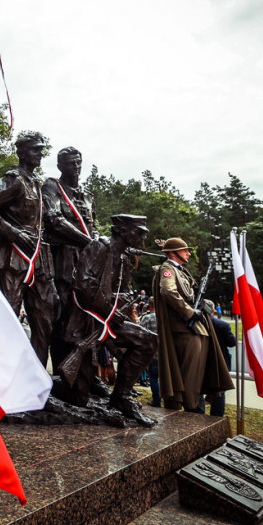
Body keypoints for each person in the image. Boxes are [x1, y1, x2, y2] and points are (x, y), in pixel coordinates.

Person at [58, 214, 157, 426]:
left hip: (107, 322)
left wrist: (124, 300)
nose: (142, 240)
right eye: (139, 233)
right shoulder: (99, 247)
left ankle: (121, 398)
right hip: (84, 324)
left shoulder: (122, 258)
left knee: (147, 340)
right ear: (121, 230)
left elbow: (123, 290)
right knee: (78, 397)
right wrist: (112, 305)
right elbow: (83, 285)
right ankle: (38, 389)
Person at [0, 131, 57, 368]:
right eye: (35, 150)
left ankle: (37, 383)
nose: (40, 155)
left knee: (44, 321)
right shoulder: (13, 180)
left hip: (38, 258)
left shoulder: (36, 183)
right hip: (13, 256)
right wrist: (14, 233)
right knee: (7, 319)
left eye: (41, 150)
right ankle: (2, 379)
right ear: (21, 153)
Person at [152, 237, 234, 413]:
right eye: (184, 250)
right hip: (183, 329)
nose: (188, 253)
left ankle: (194, 406)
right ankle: (192, 409)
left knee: (197, 374)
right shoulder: (168, 269)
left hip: (191, 328)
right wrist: (189, 312)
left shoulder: (181, 271)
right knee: (191, 376)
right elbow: (167, 291)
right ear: (173, 253)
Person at [42, 146, 97, 374]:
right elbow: (53, 219)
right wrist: (89, 242)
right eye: (70, 163)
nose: (75, 167)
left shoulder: (88, 196)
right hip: (62, 259)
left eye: (78, 162)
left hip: (88, 263)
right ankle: (62, 375)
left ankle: (87, 377)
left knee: (88, 318)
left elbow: (94, 228)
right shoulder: (52, 186)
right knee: (63, 317)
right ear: (60, 166)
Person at [205, 300, 237, 417]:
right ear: (213, 311)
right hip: (219, 362)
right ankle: (216, 417)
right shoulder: (222, 325)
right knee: (219, 391)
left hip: (199, 361)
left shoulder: (193, 323)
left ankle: (197, 414)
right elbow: (231, 342)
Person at [138, 297, 161, 407]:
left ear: (149, 305)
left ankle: (156, 400)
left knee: (153, 378)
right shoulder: (163, 318)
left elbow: (141, 334)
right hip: (164, 353)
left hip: (152, 352)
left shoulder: (146, 318)